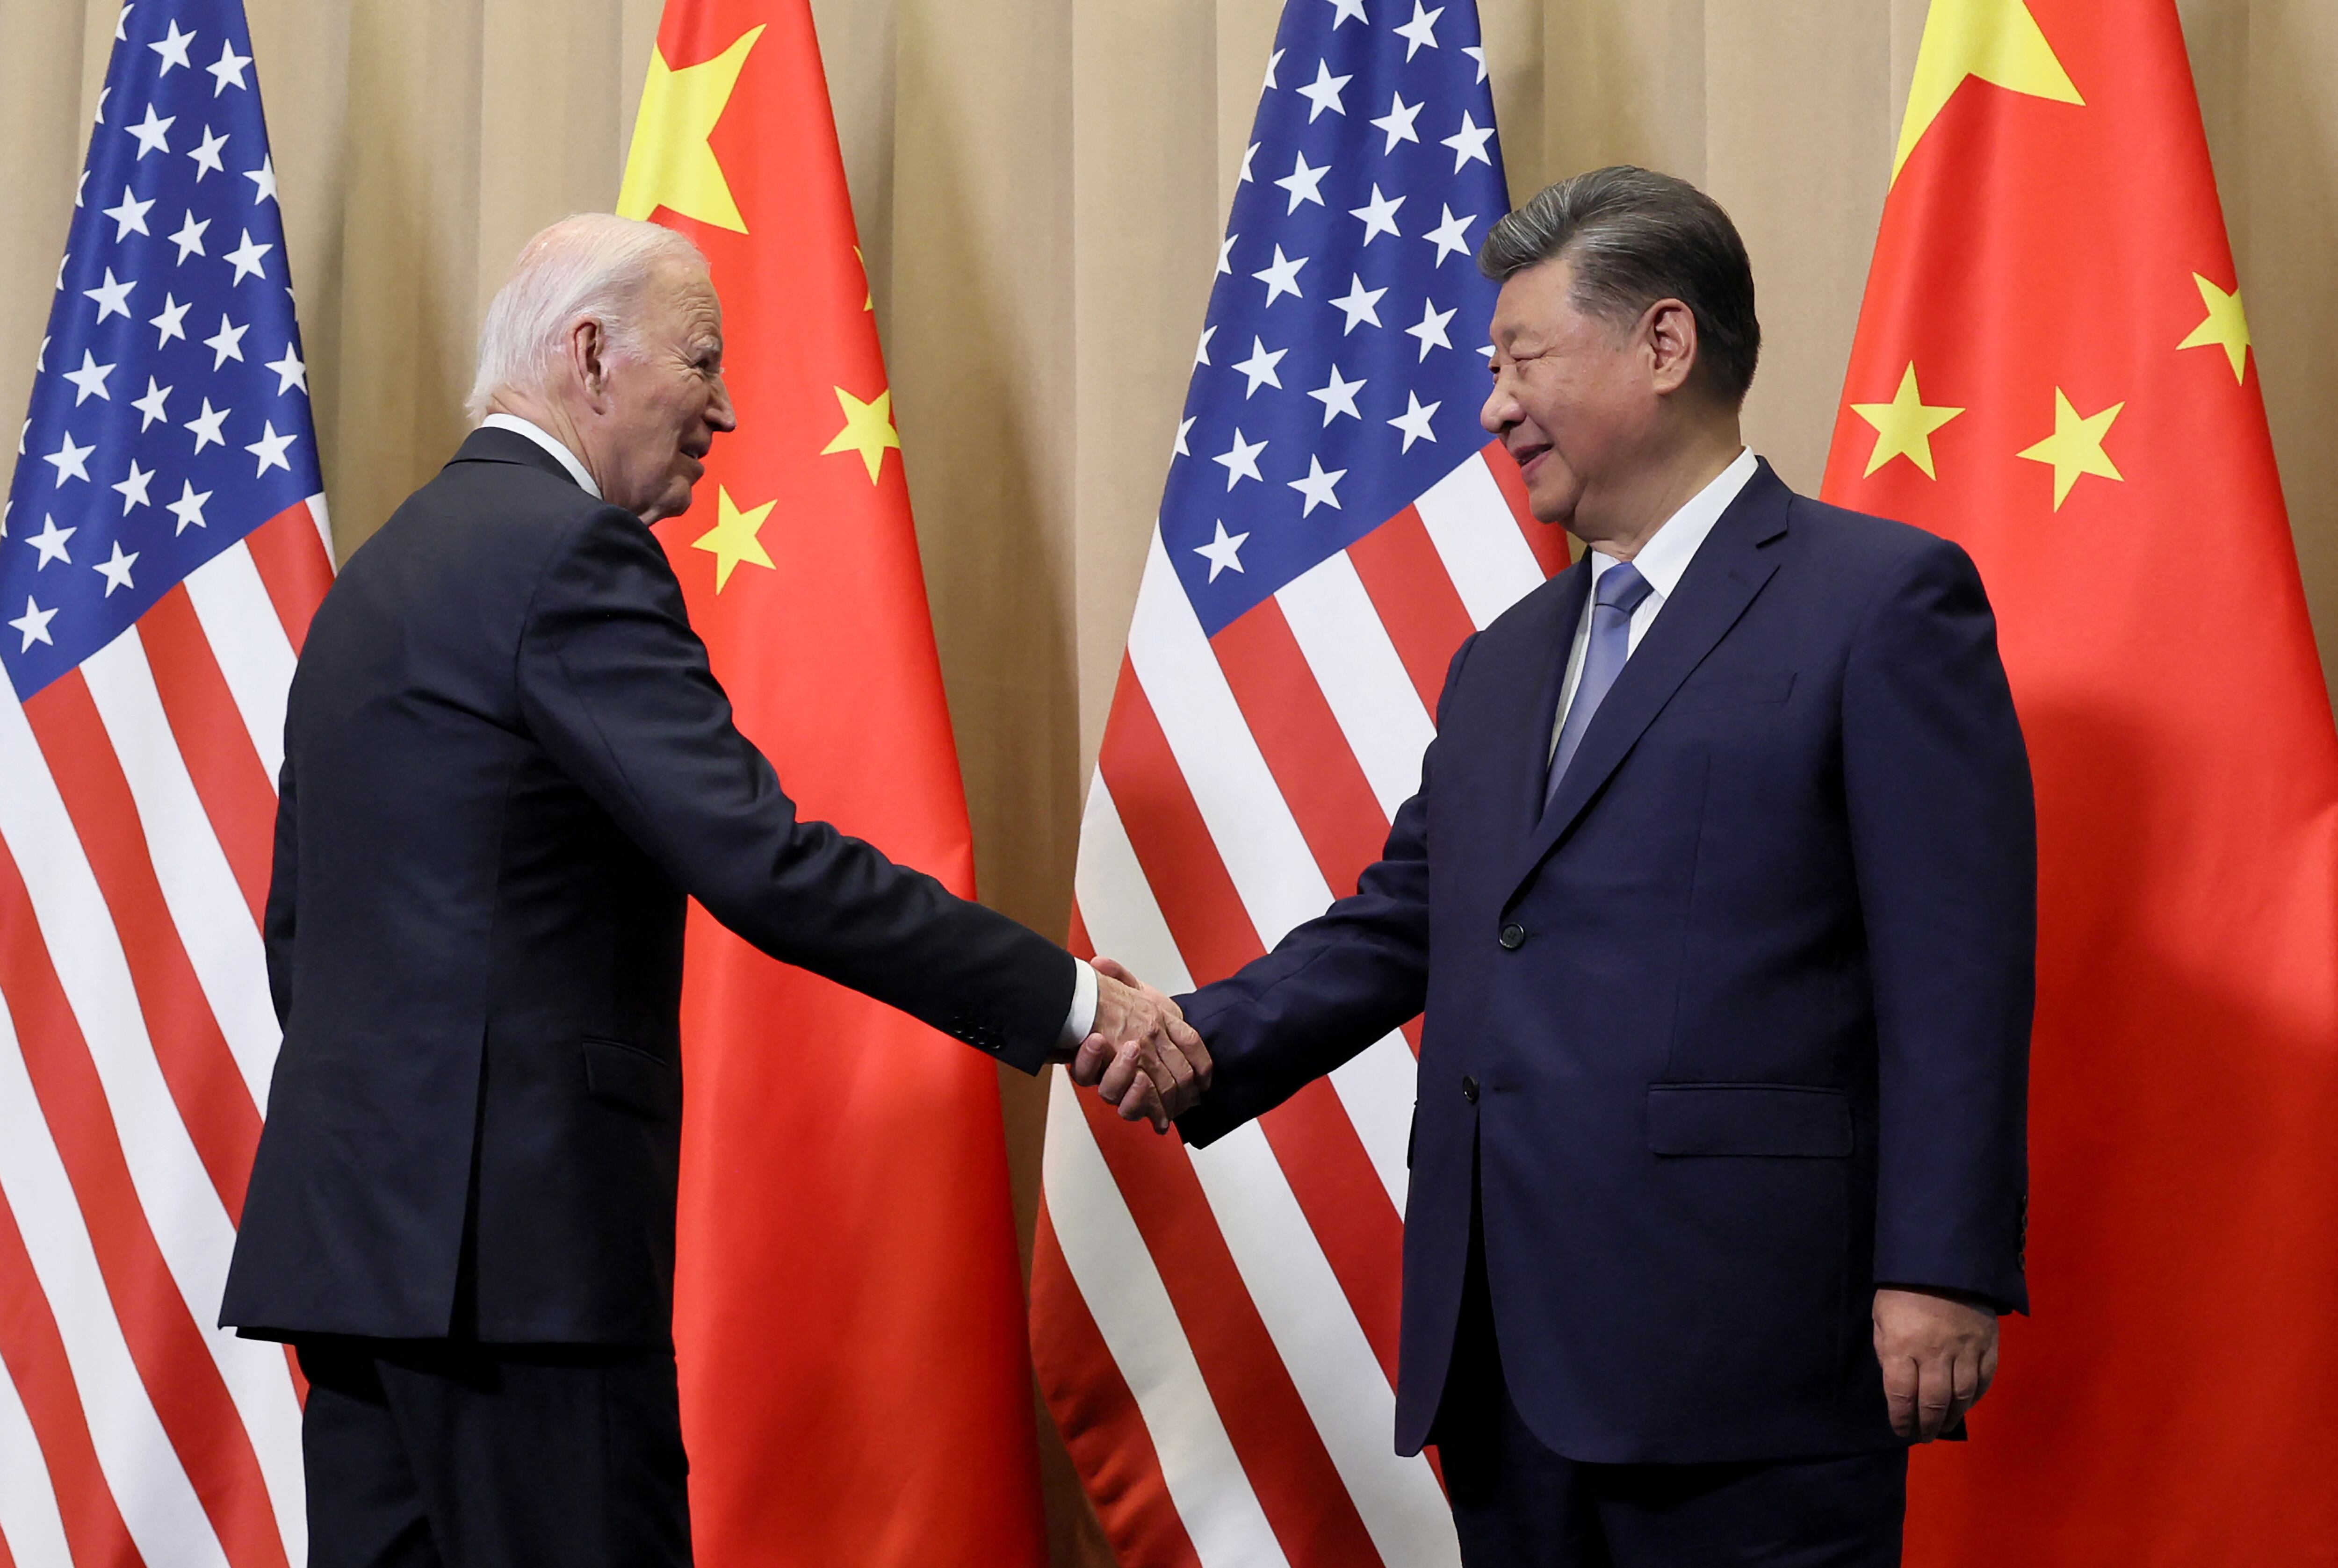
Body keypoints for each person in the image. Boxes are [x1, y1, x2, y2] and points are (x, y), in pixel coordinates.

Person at [219, 213, 1206, 1568]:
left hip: (355, 1259)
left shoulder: (378, 578)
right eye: (702, 361)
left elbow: (300, 937)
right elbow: (767, 863)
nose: (727, 410)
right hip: (521, 1281)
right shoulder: (569, 557)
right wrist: (1069, 998)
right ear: (590, 356)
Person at [1134, 166, 2034, 1565]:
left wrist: (1940, 1264)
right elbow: (1406, 923)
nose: (1492, 406)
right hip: (1504, 1362)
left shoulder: (1882, 603)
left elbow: (1958, 967)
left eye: (1521, 359)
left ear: (1664, 346)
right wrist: (1197, 1037)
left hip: (1748, 1360)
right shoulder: (1502, 664)